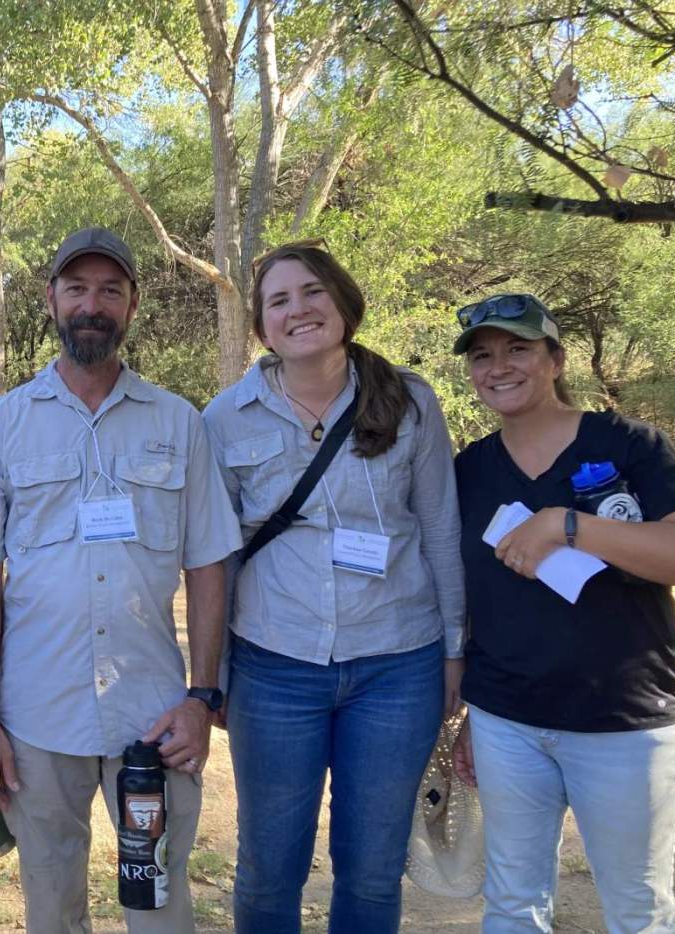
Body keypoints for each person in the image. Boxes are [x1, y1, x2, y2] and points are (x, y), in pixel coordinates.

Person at [0, 227, 242, 933]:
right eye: (77, 288)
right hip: (36, 716)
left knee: (161, 902)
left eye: (110, 290)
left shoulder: (180, 422)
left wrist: (201, 696)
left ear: (132, 306)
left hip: (154, 715)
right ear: (51, 299)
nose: (92, 304)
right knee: (51, 905)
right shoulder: (2, 425)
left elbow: (207, 567)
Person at [201, 242, 466, 933]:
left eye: (313, 292)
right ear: (262, 327)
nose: (299, 310)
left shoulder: (410, 401)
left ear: (344, 302)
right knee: (267, 868)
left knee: (373, 871)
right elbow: (216, 557)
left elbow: (441, 530)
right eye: (279, 301)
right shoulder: (225, 418)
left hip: (397, 665)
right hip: (273, 665)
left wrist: (455, 651)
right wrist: (217, 673)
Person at [448, 293, 675, 933]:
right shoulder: (468, 470)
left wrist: (568, 525)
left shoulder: (629, 445)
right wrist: (471, 712)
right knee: (513, 905)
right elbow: (470, 598)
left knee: (638, 909)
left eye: (518, 349)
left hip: (624, 720)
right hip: (507, 721)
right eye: (483, 356)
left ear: (555, 359)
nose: (500, 367)